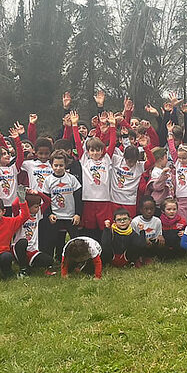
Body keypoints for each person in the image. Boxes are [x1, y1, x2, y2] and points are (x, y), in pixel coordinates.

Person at [73, 110, 117, 241]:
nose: (95, 152)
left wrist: (113, 126)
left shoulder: (106, 159)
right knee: (89, 229)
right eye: (92, 150)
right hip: (88, 199)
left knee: (104, 228)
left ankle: (104, 253)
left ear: (102, 150)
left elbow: (113, 143)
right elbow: (77, 144)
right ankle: (90, 251)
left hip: (104, 200)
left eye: (98, 150)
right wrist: (74, 125)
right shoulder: (85, 160)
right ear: (88, 151)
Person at [42, 150, 82, 261]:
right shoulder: (48, 180)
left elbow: (78, 198)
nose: (58, 168)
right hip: (55, 216)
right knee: (52, 240)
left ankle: (77, 261)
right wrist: (49, 214)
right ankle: (50, 262)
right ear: (51, 165)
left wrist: (78, 214)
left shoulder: (72, 179)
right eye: (56, 165)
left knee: (75, 241)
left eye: (61, 165)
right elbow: (46, 200)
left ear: (65, 165)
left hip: (70, 216)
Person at [12, 191, 55, 277]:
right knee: (23, 242)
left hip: (32, 250)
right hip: (19, 247)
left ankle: (29, 265)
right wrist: (22, 195)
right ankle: (23, 269)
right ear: (27, 207)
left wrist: (38, 193)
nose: (38, 208)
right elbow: (14, 205)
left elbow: (48, 201)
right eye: (36, 206)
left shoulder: (38, 214)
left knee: (49, 260)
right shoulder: (20, 214)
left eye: (39, 206)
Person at [0, 123, 25, 214]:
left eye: (7, 153)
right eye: (3, 154)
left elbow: (20, 156)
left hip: (13, 204)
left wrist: (17, 139)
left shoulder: (13, 169)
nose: (7, 155)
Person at [131, 196, 164, 264]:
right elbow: (134, 238)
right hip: (141, 245)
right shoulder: (135, 221)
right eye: (146, 209)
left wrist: (160, 236)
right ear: (141, 210)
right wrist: (144, 240)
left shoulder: (157, 220)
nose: (149, 211)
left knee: (162, 243)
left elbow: (158, 235)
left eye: (151, 209)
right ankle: (139, 258)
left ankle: (153, 257)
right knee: (140, 245)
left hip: (152, 244)